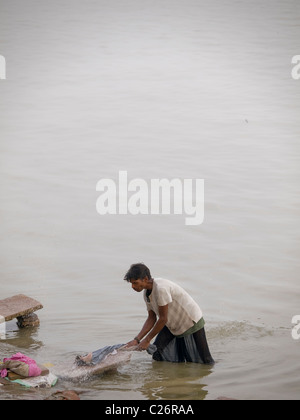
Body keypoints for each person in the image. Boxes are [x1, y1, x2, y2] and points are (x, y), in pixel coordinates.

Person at [124, 263, 214, 364]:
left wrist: (147, 340)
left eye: (135, 283)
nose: (133, 286)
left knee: (205, 359)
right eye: (131, 283)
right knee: (158, 354)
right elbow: (151, 318)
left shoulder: (161, 289)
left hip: (190, 319)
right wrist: (137, 339)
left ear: (145, 279)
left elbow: (163, 319)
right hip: (172, 322)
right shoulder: (147, 293)